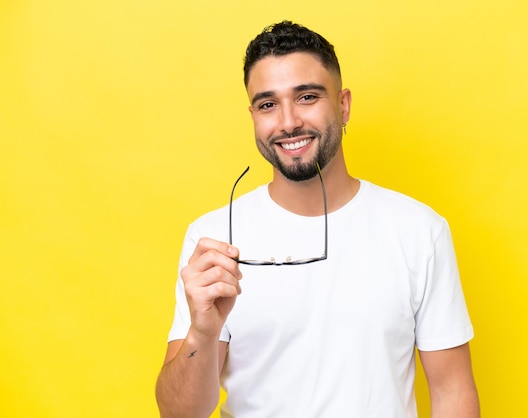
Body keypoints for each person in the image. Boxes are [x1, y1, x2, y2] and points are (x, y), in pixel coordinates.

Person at [156, 20, 479, 418]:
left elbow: (452, 392)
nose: (288, 121)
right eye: (268, 104)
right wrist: (202, 332)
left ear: (343, 105)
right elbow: (178, 414)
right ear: (253, 115)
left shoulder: (419, 231)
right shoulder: (212, 240)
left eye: (307, 96)